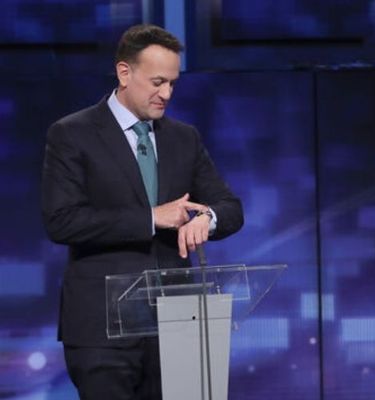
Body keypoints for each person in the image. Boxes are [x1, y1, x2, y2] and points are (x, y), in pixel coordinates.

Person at [41, 24, 243, 399]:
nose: (166, 93)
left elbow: (230, 208)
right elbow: (62, 220)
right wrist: (152, 217)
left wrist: (207, 219)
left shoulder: (184, 138)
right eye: (157, 82)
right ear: (124, 72)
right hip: (102, 329)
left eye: (173, 84)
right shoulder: (71, 134)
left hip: (179, 324)